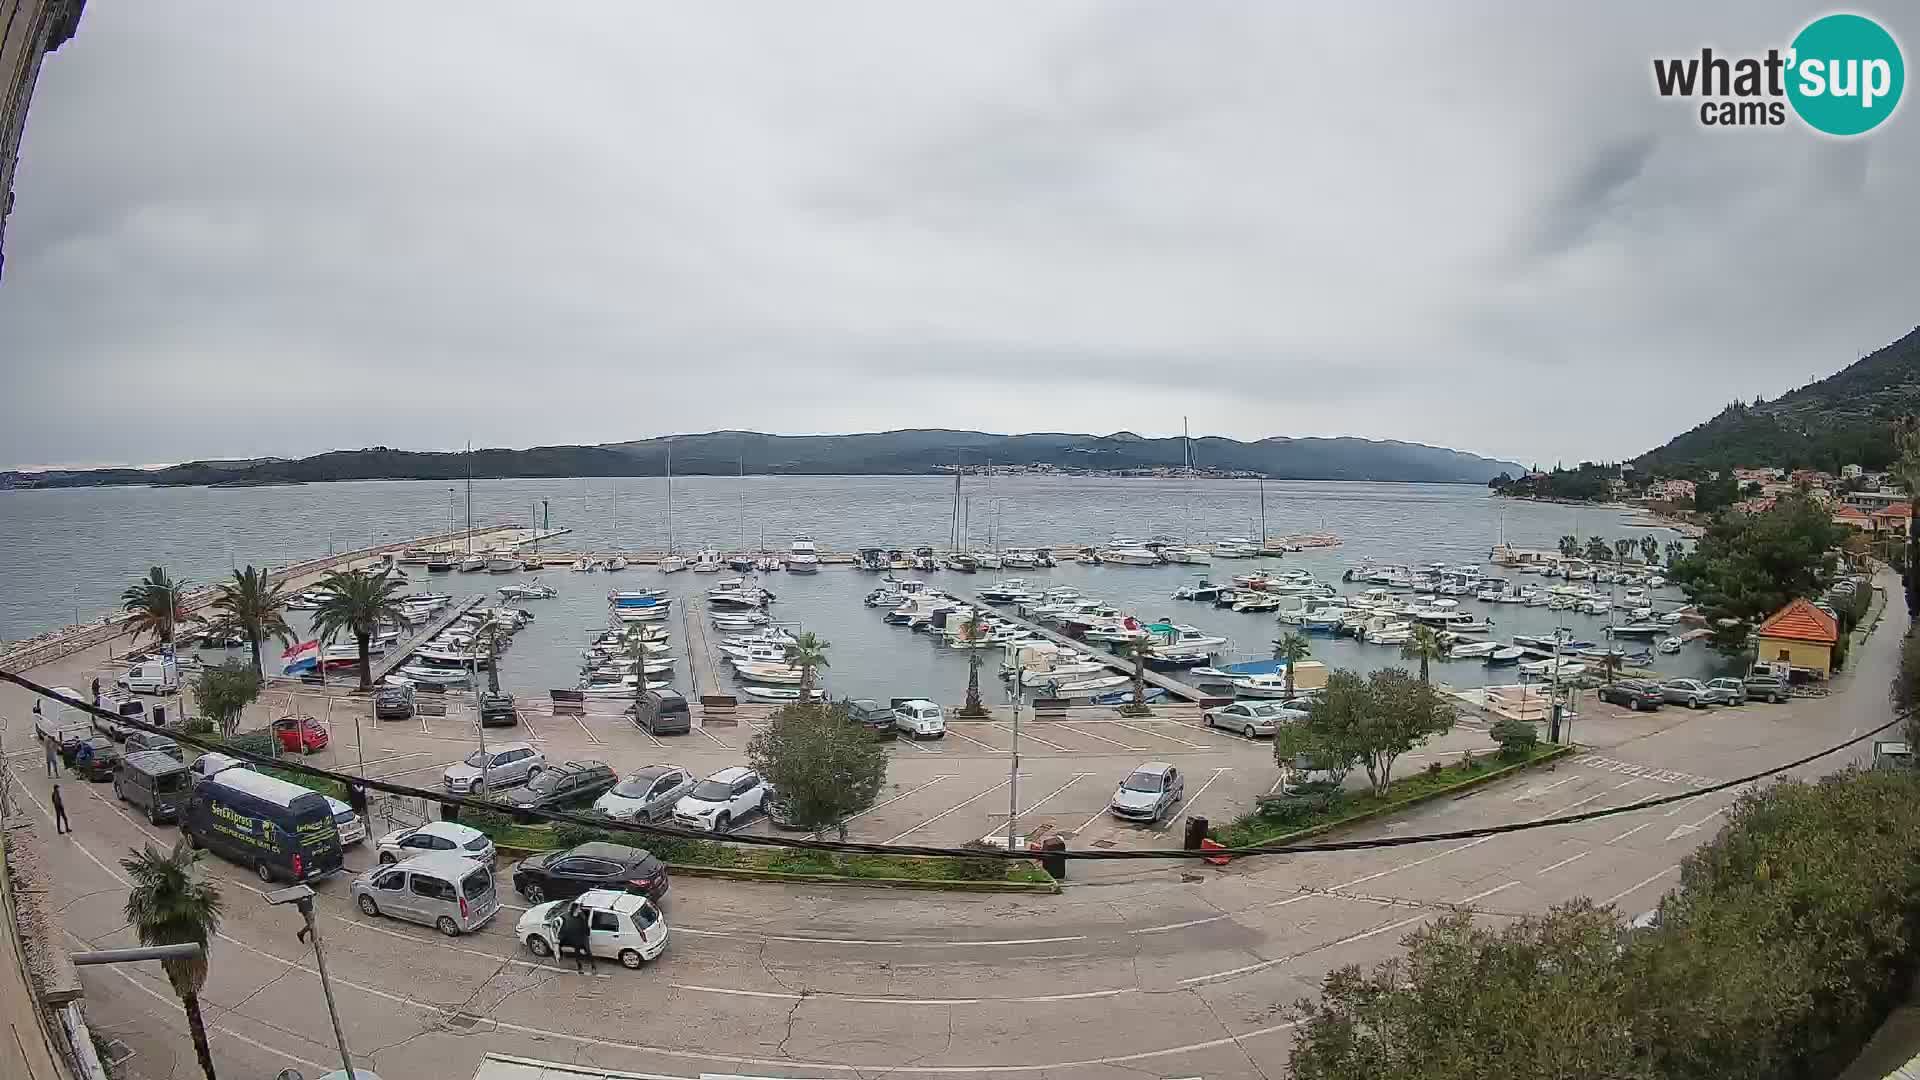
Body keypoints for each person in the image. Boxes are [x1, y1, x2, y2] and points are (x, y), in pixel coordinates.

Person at [559, 905, 595, 972]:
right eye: (578, 908)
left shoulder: (582, 916)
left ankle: (593, 966)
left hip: (583, 937)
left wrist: (588, 933)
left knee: (588, 952)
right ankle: (579, 966)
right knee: (577, 953)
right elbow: (565, 927)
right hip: (575, 938)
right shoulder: (568, 918)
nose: (580, 909)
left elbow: (586, 925)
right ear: (575, 909)